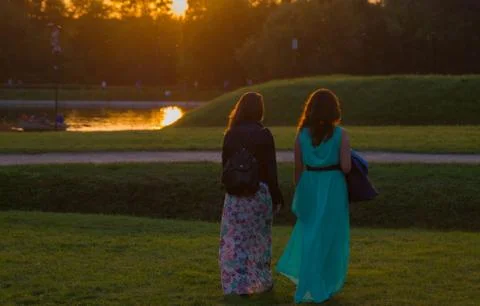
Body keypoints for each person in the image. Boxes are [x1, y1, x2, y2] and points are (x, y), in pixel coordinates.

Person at [276, 89, 351, 304]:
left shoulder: (301, 135)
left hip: (309, 183)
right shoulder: (341, 134)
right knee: (330, 235)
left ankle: (308, 280)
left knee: (309, 233)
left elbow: (298, 168)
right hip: (333, 185)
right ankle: (324, 282)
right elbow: (346, 167)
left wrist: (301, 191)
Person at [220, 92, 284, 296]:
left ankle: (236, 284)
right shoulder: (264, 134)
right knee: (259, 239)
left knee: (235, 239)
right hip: (259, 193)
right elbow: (270, 169)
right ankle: (259, 282)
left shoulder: (230, 134)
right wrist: (277, 197)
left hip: (235, 196)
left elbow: (225, 166)